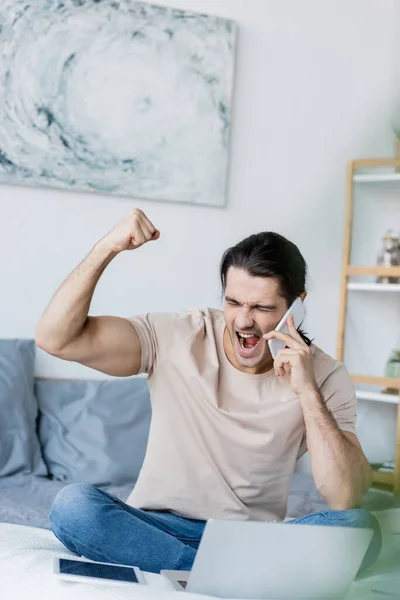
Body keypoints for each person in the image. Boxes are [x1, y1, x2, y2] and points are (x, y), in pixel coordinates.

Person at [36, 209, 381, 574]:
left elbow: (344, 496)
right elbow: (55, 339)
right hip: (155, 528)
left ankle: (197, 571)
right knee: (73, 507)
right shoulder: (179, 336)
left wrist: (307, 391)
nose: (243, 320)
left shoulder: (324, 375)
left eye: (262, 308)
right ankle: (217, 573)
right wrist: (107, 247)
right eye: (233, 302)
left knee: (360, 529)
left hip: (251, 540)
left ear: (297, 305)